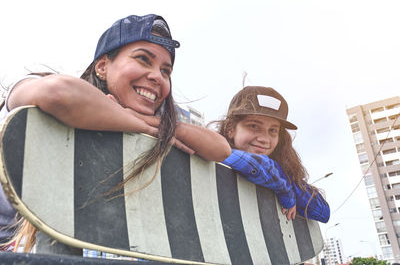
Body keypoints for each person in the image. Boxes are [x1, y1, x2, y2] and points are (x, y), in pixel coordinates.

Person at [0, 14, 231, 252]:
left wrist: (153, 124)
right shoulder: (42, 90)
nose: (156, 76)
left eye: (165, 71)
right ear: (102, 66)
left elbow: (220, 149)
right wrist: (137, 122)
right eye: (143, 59)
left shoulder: (156, 127)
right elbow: (57, 93)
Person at [215, 86, 330, 223]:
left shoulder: (279, 174)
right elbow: (257, 164)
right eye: (254, 126)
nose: (264, 139)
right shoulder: (214, 154)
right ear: (230, 129)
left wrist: (286, 182)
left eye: (273, 130)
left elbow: (322, 212)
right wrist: (283, 189)